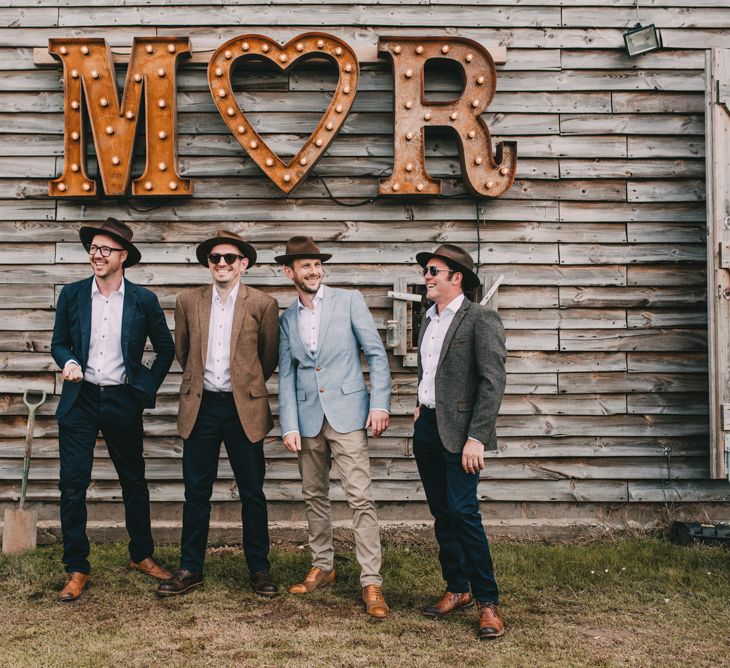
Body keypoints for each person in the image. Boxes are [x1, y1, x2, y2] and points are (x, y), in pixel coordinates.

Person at [51, 217, 175, 602]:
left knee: (133, 481)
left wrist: (144, 388)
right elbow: (59, 343)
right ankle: (77, 567)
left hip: (122, 399)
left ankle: (141, 554)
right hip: (80, 399)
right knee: (72, 484)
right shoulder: (72, 295)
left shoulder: (143, 300)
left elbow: (165, 349)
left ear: (123, 256)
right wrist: (68, 361)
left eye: (105, 249)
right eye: (93, 248)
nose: (97, 255)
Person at [158, 230, 280, 598]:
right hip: (202, 406)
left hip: (245, 407)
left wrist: (246, 385)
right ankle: (189, 567)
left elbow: (268, 357)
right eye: (215, 259)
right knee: (196, 492)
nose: (222, 264)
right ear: (208, 264)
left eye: (229, 258)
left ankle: (259, 569)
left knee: (252, 493)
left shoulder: (263, 303)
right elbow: (183, 351)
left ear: (243, 264)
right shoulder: (187, 301)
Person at [276, 236, 392, 618]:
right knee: (314, 495)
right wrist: (289, 424)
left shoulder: (349, 301)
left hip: (348, 414)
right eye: (304, 266)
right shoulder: (287, 319)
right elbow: (287, 375)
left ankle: (371, 580)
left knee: (360, 497)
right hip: (308, 419)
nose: (313, 271)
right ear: (288, 272)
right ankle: (323, 566)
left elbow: (375, 354)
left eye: (316, 264)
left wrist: (378, 404)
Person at [413, 243, 507, 639]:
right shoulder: (427, 319)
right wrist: (420, 404)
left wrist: (477, 437)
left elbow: (492, 382)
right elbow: (431, 371)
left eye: (434, 271)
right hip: (428, 428)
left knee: (464, 512)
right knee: (442, 513)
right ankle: (457, 588)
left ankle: (488, 604)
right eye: (427, 271)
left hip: (462, 434)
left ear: (458, 278)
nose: (427, 277)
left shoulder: (480, 318)